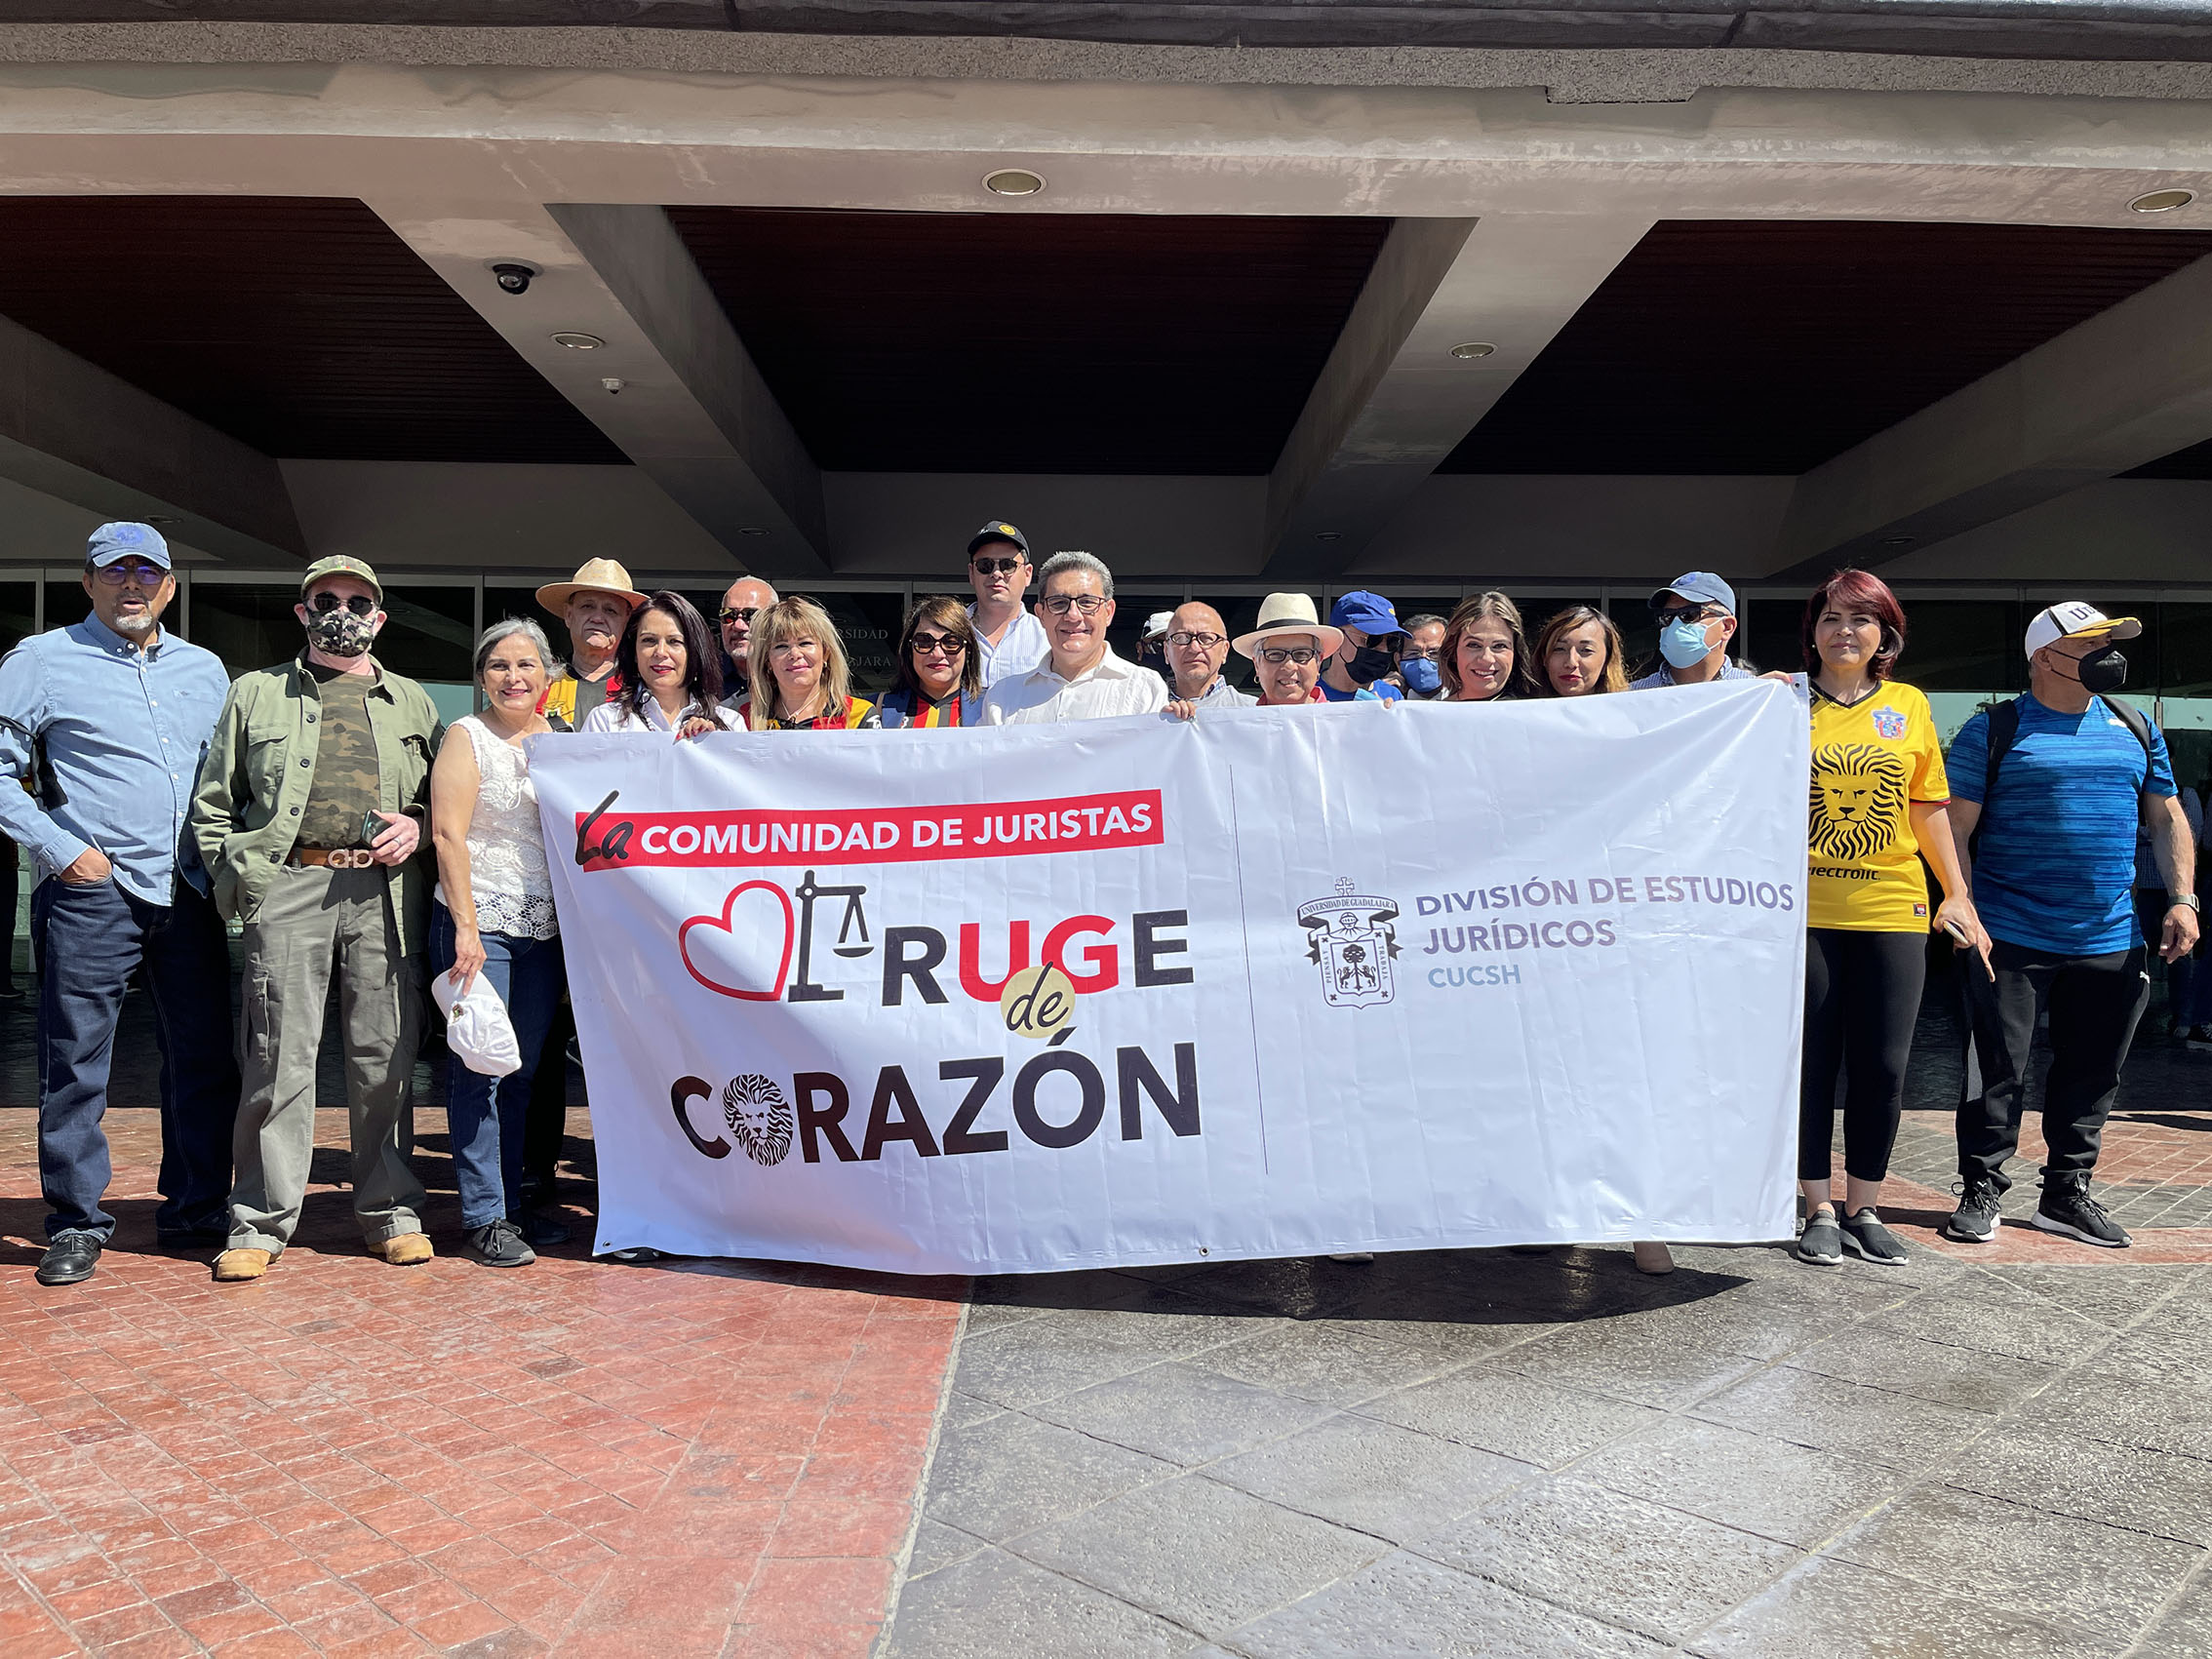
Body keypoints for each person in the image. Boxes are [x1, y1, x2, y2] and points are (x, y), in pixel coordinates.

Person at [192, 556, 442, 1284]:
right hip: (292, 884)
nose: (342, 611)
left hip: (384, 894)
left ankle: (392, 1213)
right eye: (326, 599)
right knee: (277, 1056)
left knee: (385, 1055)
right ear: (303, 612)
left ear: (379, 619)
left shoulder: (413, 701)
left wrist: (420, 824)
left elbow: (447, 799)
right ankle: (259, 1221)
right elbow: (213, 802)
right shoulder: (257, 692)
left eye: (358, 602)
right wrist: (246, 885)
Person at [0, 523, 238, 1286]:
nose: (131, 584)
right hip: (92, 893)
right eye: (115, 571)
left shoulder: (205, 669)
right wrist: (61, 849)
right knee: (75, 1063)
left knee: (205, 1059)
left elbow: (231, 777)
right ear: (89, 581)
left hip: (188, 891)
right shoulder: (41, 660)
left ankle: (197, 1208)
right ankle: (75, 1221)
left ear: (170, 586)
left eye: (147, 572)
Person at [1944, 602, 2197, 1249]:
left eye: (2110, 642)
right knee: (1997, 1069)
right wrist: (1963, 904)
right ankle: (1981, 1186)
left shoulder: (2136, 725)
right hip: (2008, 934)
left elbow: (2166, 816)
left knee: (2094, 1070)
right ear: (2044, 657)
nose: (2108, 654)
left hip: (2110, 936)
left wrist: (2183, 898)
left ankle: (2065, 1192)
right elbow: (1955, 828)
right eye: (2091, 644)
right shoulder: (1993, 729)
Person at [1790, 571, 1990, 1270]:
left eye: (1861, 619)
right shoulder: (1783, 702)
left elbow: (1927, 806)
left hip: (1894, 908)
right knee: (1812, 1064)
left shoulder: (1908, 704)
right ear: (1813, 630)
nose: (1845, 630)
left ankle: (1864, 1207)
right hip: (1804, 913)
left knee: (1883, 1064)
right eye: (1831, 617)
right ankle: (1817, 1207)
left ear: (1886, 635)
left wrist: (1956, 893)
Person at [429, 619, 566, 1269]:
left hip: (544, 929)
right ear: (482, 677)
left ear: (549, 675)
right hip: (479, 924)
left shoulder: (559, 742)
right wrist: (465, 926)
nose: (513, 677)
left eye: (526, 664)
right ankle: (483, 1215)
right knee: (480, 1066)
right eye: (499, 666)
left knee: (523, 1071)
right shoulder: (467, 736)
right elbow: (447, 835)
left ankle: (511, 1204)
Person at [978, 552, 1170, 725]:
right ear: (1041, 614)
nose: (1073, 615)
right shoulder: (1002, 699)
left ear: (1108, 612)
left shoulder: (1145, 689)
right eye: (1058, 603)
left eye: (1087, 602)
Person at [580, 593, 735, 736]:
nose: (660, 652)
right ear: (634, 652)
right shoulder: (605, 722)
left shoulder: (730, 724)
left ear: (695, 652)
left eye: (674, 641)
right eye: (649, 640)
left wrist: (712, 745)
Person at [733, 598, 882, 731]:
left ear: (825, 653)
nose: (795, 654)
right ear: (767, 660)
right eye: (781, 646)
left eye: (805, 643)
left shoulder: (858, 715)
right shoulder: (744, 719)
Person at [534, 558, 646, 730]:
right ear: (569, 615)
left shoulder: (641, 687)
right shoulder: (540, 684)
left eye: (610, 610)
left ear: (626, 621)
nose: (597, 618)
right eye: (587, 606)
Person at [1630, 573, 1757, 689]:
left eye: (1689, 614)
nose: (1675, 625)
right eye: (1668, 616)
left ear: (1727, 627)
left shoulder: (1752, 692)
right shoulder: (1635, 695)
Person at [966, 521, 1049, 689]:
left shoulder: (1048, 638)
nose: (996, 573)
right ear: (971, 573)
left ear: (1027, 574)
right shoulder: (946, 633)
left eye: (1008, 565)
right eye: (985, 565)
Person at [877, 597, 983, 728]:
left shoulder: (990, 710)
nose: (937, 654)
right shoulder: (875, 710)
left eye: (951, 642)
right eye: (924, 642)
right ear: (909, 649)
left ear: (968, 650)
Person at [1233, 593, 1343, 708]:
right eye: (1275, 654)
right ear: (1257, 665)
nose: (1289, 666)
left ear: (1318, 662)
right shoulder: (1239, 719)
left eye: (1302, 654)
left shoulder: (1342, 719)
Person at [1439, 592, 1535, 702]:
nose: (1487, 659)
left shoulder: (1533, 711)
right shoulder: (1433, 711)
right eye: (1474, 645)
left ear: (1515, 653)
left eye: (1499, 646)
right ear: (1452, 651)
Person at [1164, 603, 1253, 708]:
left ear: (1224, 650)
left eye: (1206, 638)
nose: (1194, 649)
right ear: (1166, 651)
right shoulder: (1149, 708)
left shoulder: (1253, 711)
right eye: (1181, 638)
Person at [1321, 592, 1404, 703]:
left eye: (1392, 642)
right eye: (1373, 639)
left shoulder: (1393, 696)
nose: (1383, 649)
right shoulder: (1307, 694)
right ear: (1337, 639)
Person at [1533, 606, 1631, 697]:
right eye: (1559, 649)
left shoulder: (1629, 708)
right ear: (1544, 658)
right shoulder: (1527, 708)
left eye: (1586, 650)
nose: (1571, 663)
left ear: (1606, 661)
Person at [717, 575, 778, 703]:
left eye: (751, 615)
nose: (738, 626)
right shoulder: (703, 678)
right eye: (729, 615)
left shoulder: (793, 674)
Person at [1395, 612, 1448, 700]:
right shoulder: (1386, 697)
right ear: (1397, 661)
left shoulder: (1467, 700)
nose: (1423, 662)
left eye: (1434, 653)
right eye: (1413, 653)